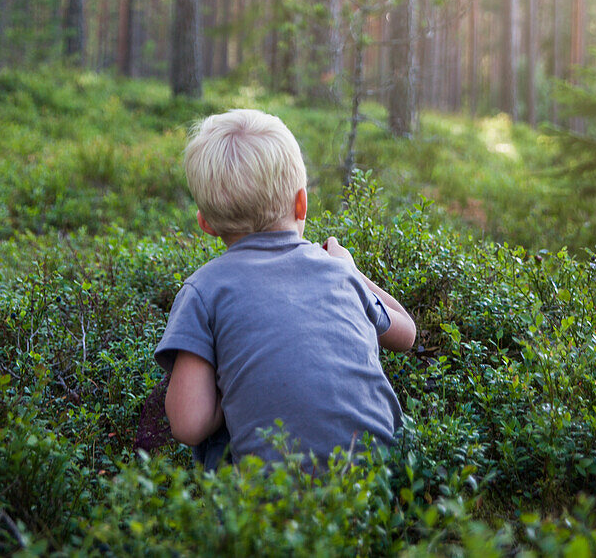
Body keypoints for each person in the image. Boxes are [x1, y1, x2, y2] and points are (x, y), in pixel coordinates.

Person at [154, 109, 416, 468]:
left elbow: (188, 425)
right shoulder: (339, 272)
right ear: (301, 202)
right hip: (380, 490)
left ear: (206, 224)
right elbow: (407, 333)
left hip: (269, 510)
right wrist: (351, 270)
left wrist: (234, 389)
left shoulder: (204, 289)